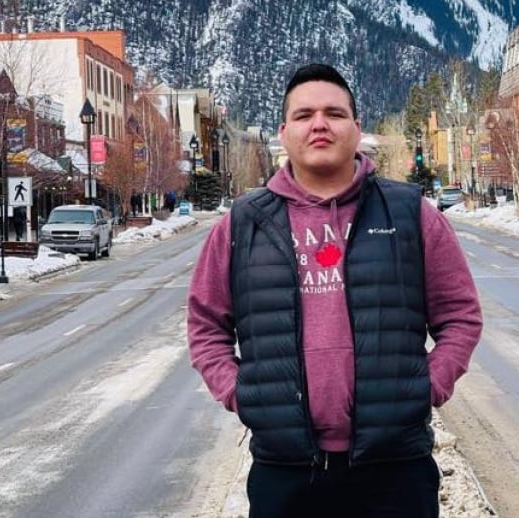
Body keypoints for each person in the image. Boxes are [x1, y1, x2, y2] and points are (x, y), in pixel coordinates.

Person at [187, 63, 482, 518]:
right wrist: (242, 394)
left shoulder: (409, 213)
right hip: (285, 471)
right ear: (284, 133)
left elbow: (460, 315)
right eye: (304, 115)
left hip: (395, 469)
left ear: (356, 128)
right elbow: (206, 325)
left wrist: (426, 387)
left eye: (334, 113)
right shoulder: (243, 223)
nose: (320, 124)